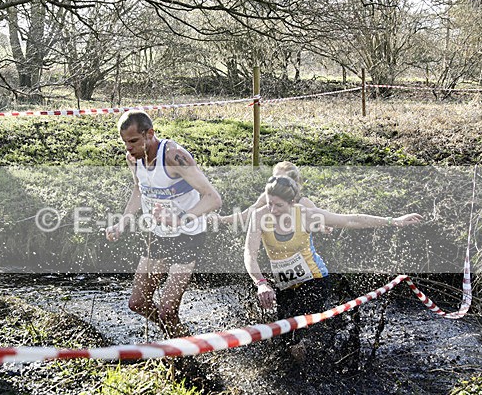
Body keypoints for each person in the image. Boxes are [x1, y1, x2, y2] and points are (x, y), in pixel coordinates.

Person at [244, 175, 422, 360]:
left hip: (315, 280)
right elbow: (250, 253)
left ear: (291, 202)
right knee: (282, 336)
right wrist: (261, 282)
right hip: (286, 285)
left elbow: (350, 220)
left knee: (292, 332)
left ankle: (304, 374)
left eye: (278, 205)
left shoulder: (305, 214)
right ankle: (309, 350)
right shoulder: (259, 217)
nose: (272, 210)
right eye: (269, 203)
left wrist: (394, 221)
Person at [105, 110, 222, 337]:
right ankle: (180, 338)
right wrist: (121, 224)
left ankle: (184, 354)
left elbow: (213, 198)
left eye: (133, 141)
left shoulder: (173, 156)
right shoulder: (133, 158)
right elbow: (139, 189)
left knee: (168, 310)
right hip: (157, 235)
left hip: (188, 236)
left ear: (150, 134)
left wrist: (180, 220)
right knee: (137, 303)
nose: (128, 148)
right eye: (125, 142)